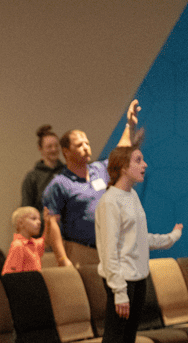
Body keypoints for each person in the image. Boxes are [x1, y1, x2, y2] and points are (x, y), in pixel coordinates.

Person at [95, 136, 182, 343]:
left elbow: (139, 239)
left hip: (138, 278)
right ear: (123, 167)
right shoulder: (110, 201)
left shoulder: (131, 195)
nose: (144, 165)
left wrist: (170, 238)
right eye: (138, 160)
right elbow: (108, 251)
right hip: (121, 281)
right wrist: (119, 291)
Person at [43, 100, 141, 267]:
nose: (86, 147)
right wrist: (62, 259)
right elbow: (52, 224)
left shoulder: (100, 169)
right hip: (81, 252)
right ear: (66, 152)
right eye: (79, 145)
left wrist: (129, 126)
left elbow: (121, 150)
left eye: (87, 143)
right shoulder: (59, 183)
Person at [20, 124, 65, 233]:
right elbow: (26, 211)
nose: (54, 149)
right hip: (44, 234)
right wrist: (48, 218)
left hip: (69, 234)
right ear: (40, 149)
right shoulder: (32, 177)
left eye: (56, 145)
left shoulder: (67, 172)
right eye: (49, 146)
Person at [2, 206, 50, 275]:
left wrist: (47, 223)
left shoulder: (34, 243)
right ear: (21, 223)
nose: (39, 222)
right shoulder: (18, 246)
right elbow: (10, 276)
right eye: (33, 219)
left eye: (39, 219)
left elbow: (46, 241)